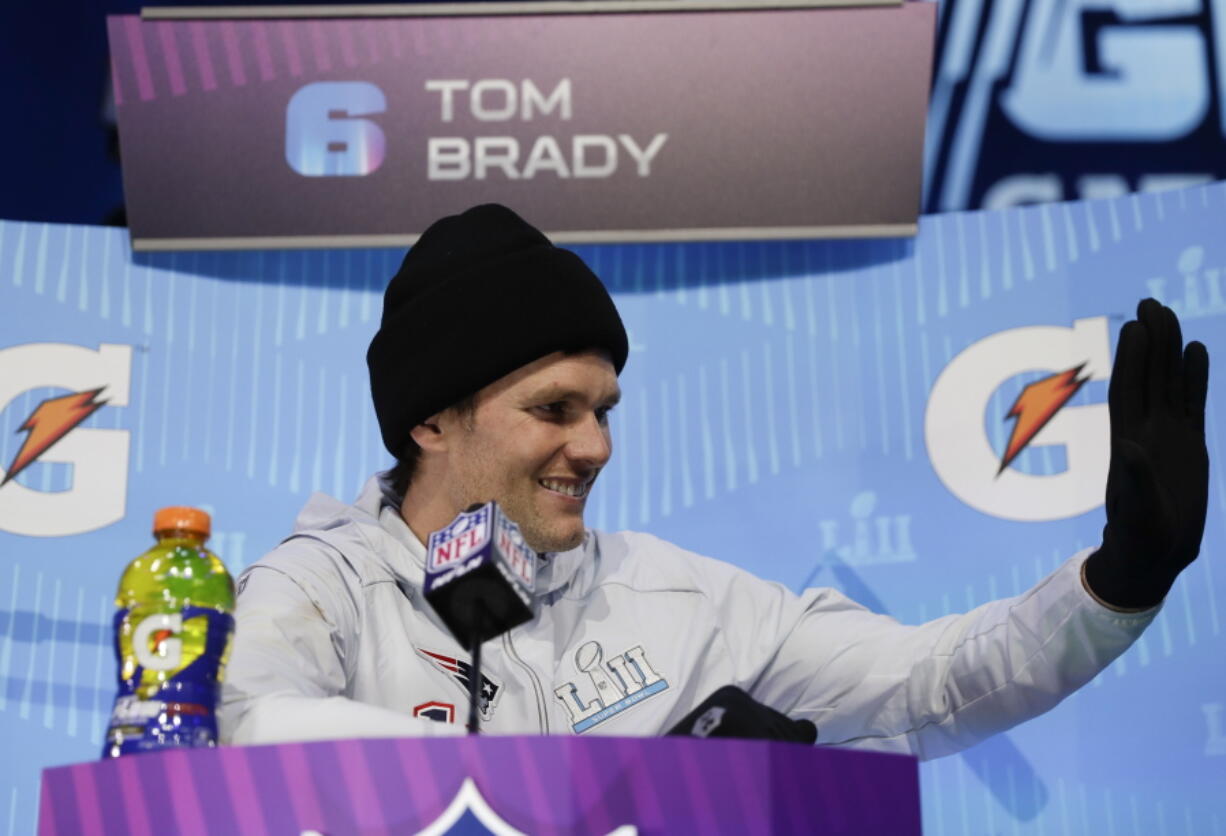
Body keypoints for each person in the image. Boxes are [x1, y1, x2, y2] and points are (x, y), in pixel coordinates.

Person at [219, 205, 1209, 758]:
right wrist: (612, 791)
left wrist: (1118, 581)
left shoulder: (675, 597)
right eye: (554, 409)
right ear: (431, 419)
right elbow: (245, 746)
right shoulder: (323, 587)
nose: (595, 445)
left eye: (603, 409)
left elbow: (929, 681)